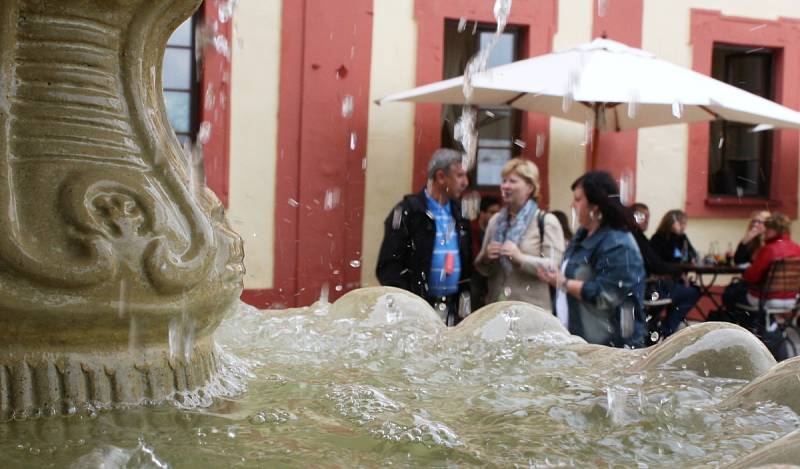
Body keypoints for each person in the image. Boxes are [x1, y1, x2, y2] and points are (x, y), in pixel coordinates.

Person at [537, 171, 646, 347]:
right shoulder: (582, 235)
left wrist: (562, 282)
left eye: (578, 199)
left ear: (595, 205)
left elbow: (607, 295)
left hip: (610, 349)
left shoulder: (618, 244)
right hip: (577, 341)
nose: (572, 205)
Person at [376, 148, 472, 326]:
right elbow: (388, 267)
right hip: (415, 314)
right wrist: (411, 305)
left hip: (451, 312)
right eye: (460, 176)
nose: (466, 182)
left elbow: (466, 265)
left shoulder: (460, 214)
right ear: (441, 176)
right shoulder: (408, 212)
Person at [474, 159, 565, 310]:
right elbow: (482, 268)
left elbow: (554, 268)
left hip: (532, 313)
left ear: (530, 187)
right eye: (504, 181)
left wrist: (520, 259)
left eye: (513, 181)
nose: (506, 186)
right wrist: (485, 257)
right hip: (495, 310)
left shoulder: (546, 222)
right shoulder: (496, 221)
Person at [630, 204, 700, 339]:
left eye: (647, 217)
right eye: (642, 216)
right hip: (650, 286)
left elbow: (691, 255)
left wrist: (680, 236)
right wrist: (678, 272)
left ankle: (661, 328)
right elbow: (656, 264)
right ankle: (666, 331)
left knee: (686, 290)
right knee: (692, 292)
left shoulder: (639, 237)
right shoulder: (656, 238)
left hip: (653, 284)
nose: (646, 220)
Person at [470, 195, 501, 311]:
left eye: (498, 213)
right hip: (474, 279)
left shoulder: (499, 231)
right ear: (482, 213)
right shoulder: (471, 228)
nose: (496, 217)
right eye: (492, 213)